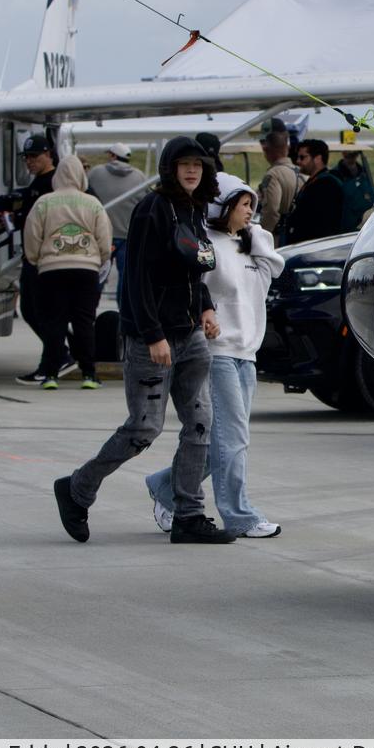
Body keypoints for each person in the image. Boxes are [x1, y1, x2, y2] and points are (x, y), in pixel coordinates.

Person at [53, 136, 237, 545]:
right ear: (169, 167)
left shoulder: (192, 210)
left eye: (198, 165)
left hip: (190, 336)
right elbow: (137, 279)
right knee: (144, 428)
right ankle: (77, 488)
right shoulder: (151, 210)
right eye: (184, 164)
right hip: (152, 340)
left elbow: (192, 272)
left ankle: (188, 513)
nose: (192, 171)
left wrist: (205, 308)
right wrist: (152, 334)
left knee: (201, 424)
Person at [146, 175, 285, 538]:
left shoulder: (251, 244)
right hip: (216, 351)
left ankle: (166, 487)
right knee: (233, 439)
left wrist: (256, 237)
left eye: (252, 204)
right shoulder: (205, 243)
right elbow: (192, 290)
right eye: (243, 204)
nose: (251, 211)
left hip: (247, 351)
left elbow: (275, 270)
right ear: (222, 204)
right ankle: (240, 516)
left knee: (221, 442)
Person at [23, 151, 111, 390]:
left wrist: (36, 260)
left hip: (52, 269)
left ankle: (51, 374)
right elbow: (104, 238)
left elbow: (31, 235)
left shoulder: (44, 202)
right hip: (86, 269)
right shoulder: (92, 203)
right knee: (84, 321)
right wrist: (98, 259)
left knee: (54, 321)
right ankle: (89, 374)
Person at [11, 134, 60, 385]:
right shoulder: (36, 183)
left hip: (45, 257)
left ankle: (54, 359)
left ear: (49, 154)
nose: (29, 161)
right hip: (31, 255)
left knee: (42, 310)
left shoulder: (54, 183)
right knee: (31, 309)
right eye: (26, 157)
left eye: (34, 156)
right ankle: (59, 353)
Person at [85, 142, 147, 296]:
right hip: (127, 236)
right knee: (125, 278)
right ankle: (123, 314)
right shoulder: (139, 177)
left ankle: (90, 309)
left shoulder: (96, 173)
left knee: (97, 276)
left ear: (113, 156)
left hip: (101, 236)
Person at [282, 138, 347, 243]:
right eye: (297, 157)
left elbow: (321, 222)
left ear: (318, 158)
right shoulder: (316, 181)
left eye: (302, 157)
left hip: (314, 246)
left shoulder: (326, 185)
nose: (298, 161)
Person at [252, 131, 302, 238]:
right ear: (287, 149)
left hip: (279, 236)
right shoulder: (300, 172)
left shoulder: (273, 175)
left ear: (267, 150)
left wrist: (261, 237)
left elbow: (271, 211)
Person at [333, 146, 374, 230]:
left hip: (364, 222)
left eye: (353, 155)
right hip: (346, 223)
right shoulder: (336, 175)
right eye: (348, 155)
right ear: (343, 153)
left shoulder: (363, 173)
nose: (351, 159)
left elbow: (371, 195)